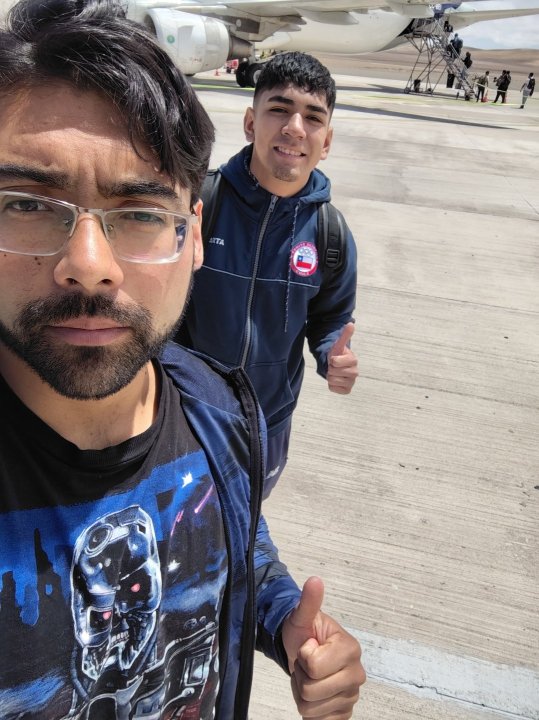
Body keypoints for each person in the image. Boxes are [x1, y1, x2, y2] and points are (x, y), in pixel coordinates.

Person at [0, 2, 366, 718]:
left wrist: (283, 620)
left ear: (191, 235)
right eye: (28, 205)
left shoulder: (217, 413)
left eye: (139, 213)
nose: (89, 266)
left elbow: (233, 533)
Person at [176, 52, 359, 497]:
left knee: (246, 521)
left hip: (268, 423)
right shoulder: (201, 203)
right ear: (250, 123)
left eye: (313, 117)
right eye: (279, 109)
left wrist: (332, 357)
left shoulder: (331, 234)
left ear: (326, 141)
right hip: (186, 412)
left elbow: (330, 318)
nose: (295, 128)